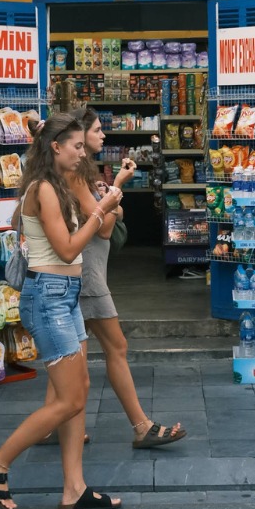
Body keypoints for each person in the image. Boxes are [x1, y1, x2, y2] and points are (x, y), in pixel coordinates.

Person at [0, 113, 124, 509]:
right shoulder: (43, 189)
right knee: (70, 399)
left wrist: (102, 204)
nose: (82, 153)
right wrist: (102, 208)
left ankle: (74, 488)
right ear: (55, 147)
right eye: (76, 146)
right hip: (49, 297)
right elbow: (69, 249)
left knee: (78, 391)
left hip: (65, 294)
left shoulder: (53, 185)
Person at [73, 107, 186, 449]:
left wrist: (109, 200)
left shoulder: (79, 175)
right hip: (88, 276)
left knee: (72, 357)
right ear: (78, 137)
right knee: (113, 348)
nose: (103, 135)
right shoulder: (75, 175)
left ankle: (60, 425)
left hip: (84, 273)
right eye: (96, 130)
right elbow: (105, 228)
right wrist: (117, 189)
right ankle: (141, 426)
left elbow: (103, 213)